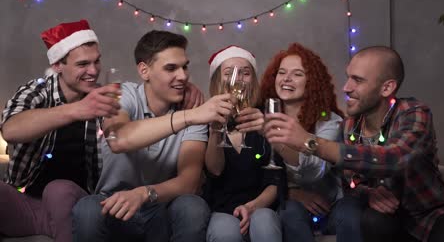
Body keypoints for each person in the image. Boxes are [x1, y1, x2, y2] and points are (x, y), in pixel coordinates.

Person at [264, 46, 444, 242]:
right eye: (348, 77)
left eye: (357, 80)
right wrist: (368, 193)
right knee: (371, 221)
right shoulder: (350, 126)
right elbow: (349, 181)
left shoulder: (413, 113)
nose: (346, 88)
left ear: (386, 87)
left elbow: (394, 159)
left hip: (430, 215)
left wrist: (309, 141)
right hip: (387, 218)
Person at [72, 30, 233, 242]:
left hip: (161, 206)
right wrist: (190, 116)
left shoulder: (194, 110)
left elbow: (189, 182)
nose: (183, 76)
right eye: (171, 68)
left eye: (184, 66)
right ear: (144, 70)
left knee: (192, 206)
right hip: (113, 203)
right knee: (87, 209)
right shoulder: (124, 94)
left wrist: (143, 193)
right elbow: (119, 140)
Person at [0, 20, 120, 241]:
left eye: (96, 61)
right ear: (57, 65)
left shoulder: (101, 98)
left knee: (58, 190)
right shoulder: (37, 91)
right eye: (83, 64)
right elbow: (11, 129)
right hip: (26, 203)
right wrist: (76, 110)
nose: (93, 71)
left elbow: (125, 127)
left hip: (76, 204)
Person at [260, 42, 362, 242]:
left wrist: (274, 137)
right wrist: (291, 192)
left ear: (311, 82)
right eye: (282, 73)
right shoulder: (263, 114)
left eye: (297, 74)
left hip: (332, 205)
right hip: (291, 204)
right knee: (289, 212)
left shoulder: (330, 121)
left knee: (351, 210)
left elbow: (313, 173)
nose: (287, 78)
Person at [203, 45, 282, 242]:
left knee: (264, 222)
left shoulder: (265, 120)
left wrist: (251, 207)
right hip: (221, 210)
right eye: (229, 73)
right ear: (216, 82)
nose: (238, 78)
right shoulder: (203, 120)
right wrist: (216, 128)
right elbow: (215, 170)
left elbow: (275, 181)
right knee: (225, 233)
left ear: (253, 81)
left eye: (245, 73)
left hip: (260, 207)